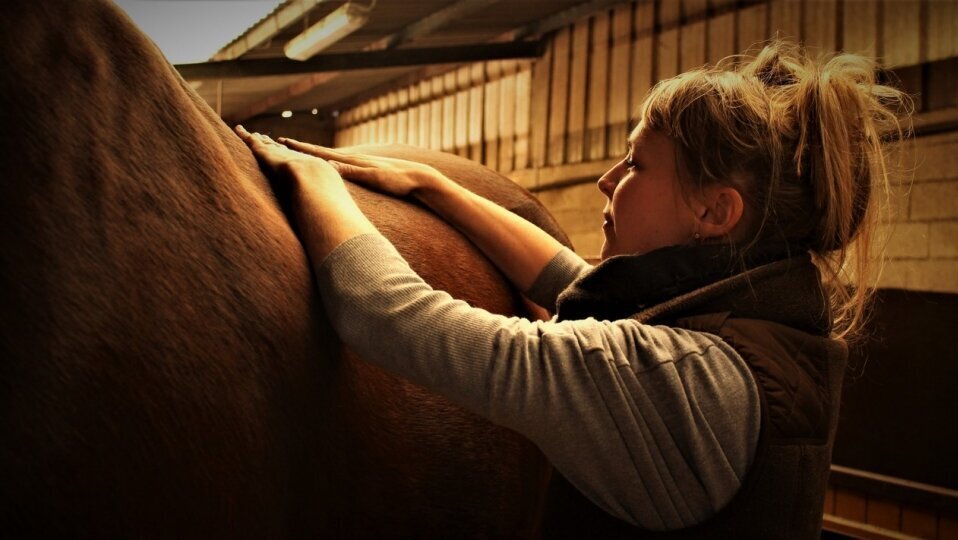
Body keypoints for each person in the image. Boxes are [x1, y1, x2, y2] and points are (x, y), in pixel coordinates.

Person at [236, 40, 910, 537]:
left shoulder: (685, 382)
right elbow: (572, 278)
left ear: (714, 213)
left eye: (637, 163)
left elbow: (392, 318)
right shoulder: (763, 328)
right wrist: (435, 186)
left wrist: (317, 182)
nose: (607, 180)